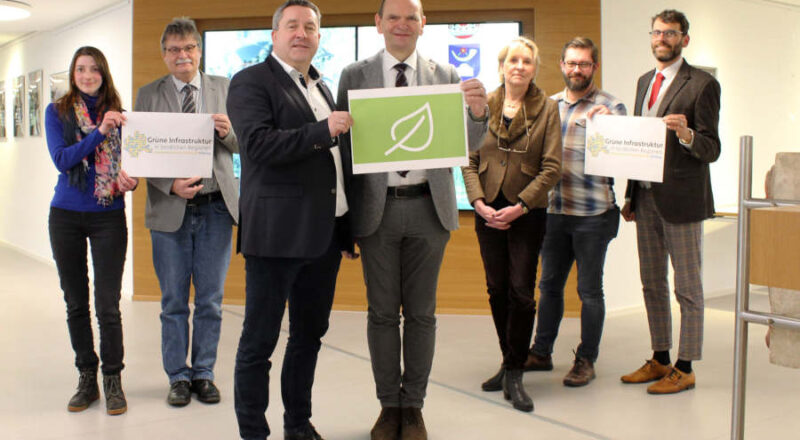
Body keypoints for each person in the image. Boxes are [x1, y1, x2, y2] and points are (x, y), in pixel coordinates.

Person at [337, 0, 488, 438]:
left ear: (424, 24)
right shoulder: (353, 75)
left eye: (411, 17)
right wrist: (344, 220)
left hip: (429, 208)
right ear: (378, 23)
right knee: (382, 314)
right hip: (376, 210)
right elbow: (345, 153)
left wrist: (478, 114)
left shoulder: (445, 75)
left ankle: (414, 406)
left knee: (422, 314)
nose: (402, 24)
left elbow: (469, 141)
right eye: (394, 16)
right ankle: (389, 406)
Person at [226, 1, 356, 439]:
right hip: (276, 237)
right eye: (293, 26)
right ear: (275, 35)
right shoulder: (250, 81)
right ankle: (253, 433)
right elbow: (259, 146)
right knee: (259, 344)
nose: (302, 33)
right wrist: (324, 131)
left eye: (311, 27)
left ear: (319, 37)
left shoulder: (321, 85)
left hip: (324, 235)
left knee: (308, 338)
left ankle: (297, 424)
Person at [134, 17, 239, 406]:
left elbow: (246, 143)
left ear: (199, 50)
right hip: (170, 208)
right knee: (173, 301)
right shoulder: (148, 94)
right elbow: (140, 153)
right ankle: (178, 376)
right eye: (174, 49)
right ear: (164, 55)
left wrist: (229, 132)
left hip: (215, 208)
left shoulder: (225, 88)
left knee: (210, 299)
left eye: (189, 47)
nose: (183, 55)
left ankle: (204, 373)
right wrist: (169, 185)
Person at [620, 9, 721, 394]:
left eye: (671, 33)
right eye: (657, 32)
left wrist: (686, 134)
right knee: (651, 283)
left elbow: (711, 148)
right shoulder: (645, 81)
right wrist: (630, 194)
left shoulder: (703, 84)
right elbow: (636, 143)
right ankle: (661, 358)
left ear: (685, 39)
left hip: (682, 200)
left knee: (688, 287)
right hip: (645, 200)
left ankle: (686, 365)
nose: (662, 38)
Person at [462, 36, 561, 413]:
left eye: (527, 62)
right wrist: (478, 203)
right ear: (502, 66)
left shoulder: (546, 107)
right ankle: (508, 361)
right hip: (487, 210)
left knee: (522, 291)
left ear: (534, 69)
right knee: (496, 289)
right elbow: (468, 160)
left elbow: (552, 167)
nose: (519, 66)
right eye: (513, 60)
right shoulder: (482, 105)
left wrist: (520, 206)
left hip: (526, 212)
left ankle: (515, 372)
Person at [525, 37, 625, 387]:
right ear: (562, 66)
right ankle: (540, 352)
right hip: (553, 212)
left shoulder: (612, 106)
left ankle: (586, 360)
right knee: (549, 285)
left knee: (589, 291)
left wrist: (611, 125)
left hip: (593, 215)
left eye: (584, 64)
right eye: (571, 63)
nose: (577, 70)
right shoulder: (549, 106)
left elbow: (627, 155)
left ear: (594, 67)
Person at [45, 46, 138, 415]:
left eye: (94, 69)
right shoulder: (58, 112)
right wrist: (100, 132)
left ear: (104, 73)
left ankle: (112, 379)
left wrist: (133, 181)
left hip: (108, 215)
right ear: (73, 73)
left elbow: (135, 161)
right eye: (81, 69)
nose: (87, 75)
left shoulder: (123, 116)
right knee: (75, 302)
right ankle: (87, 376)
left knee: (108, 305)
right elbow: (62, 159)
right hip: (65, 215)